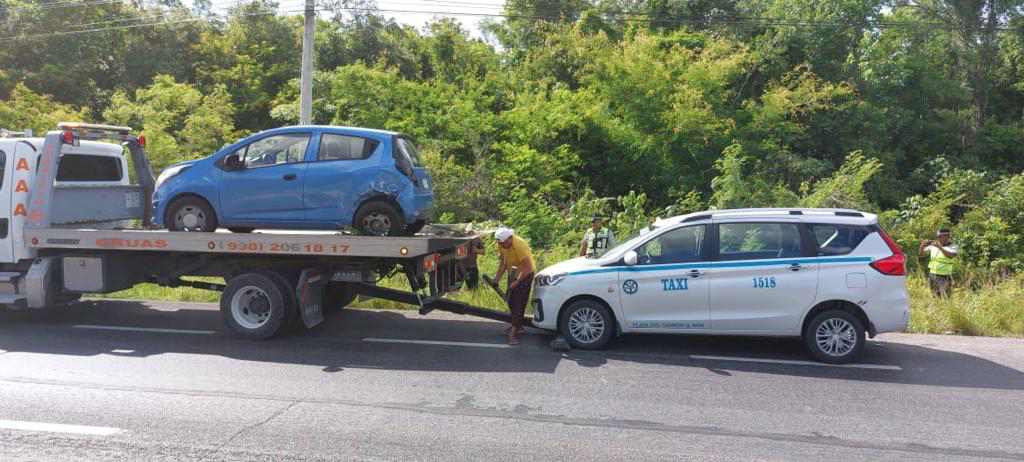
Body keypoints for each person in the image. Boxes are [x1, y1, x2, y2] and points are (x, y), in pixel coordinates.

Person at [493, 227, 535, 345]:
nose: (501, 245)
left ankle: (513, 334)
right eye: (499, 243)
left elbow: (528, 268)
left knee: (518, 303)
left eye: (503, 243)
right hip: (513, 273)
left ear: (510, 238)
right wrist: (496, 279)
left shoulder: (519, 245)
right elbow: (503, 263)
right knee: (511, 301)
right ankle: (517, 326)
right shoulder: (502, 244)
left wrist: (516, 282)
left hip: (525, 275)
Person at [919, 228, 958, 297]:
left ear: (947, 236)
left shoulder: (953, 246)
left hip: (944, 275)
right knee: (935, 296)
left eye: (940, 236)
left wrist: (940, 247)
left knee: (945, 296)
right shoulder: (933, 245)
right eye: (938, 237)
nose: (939, 238)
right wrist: (922, 246)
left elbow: (950, 256)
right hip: (933, 274)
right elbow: (922, 255)